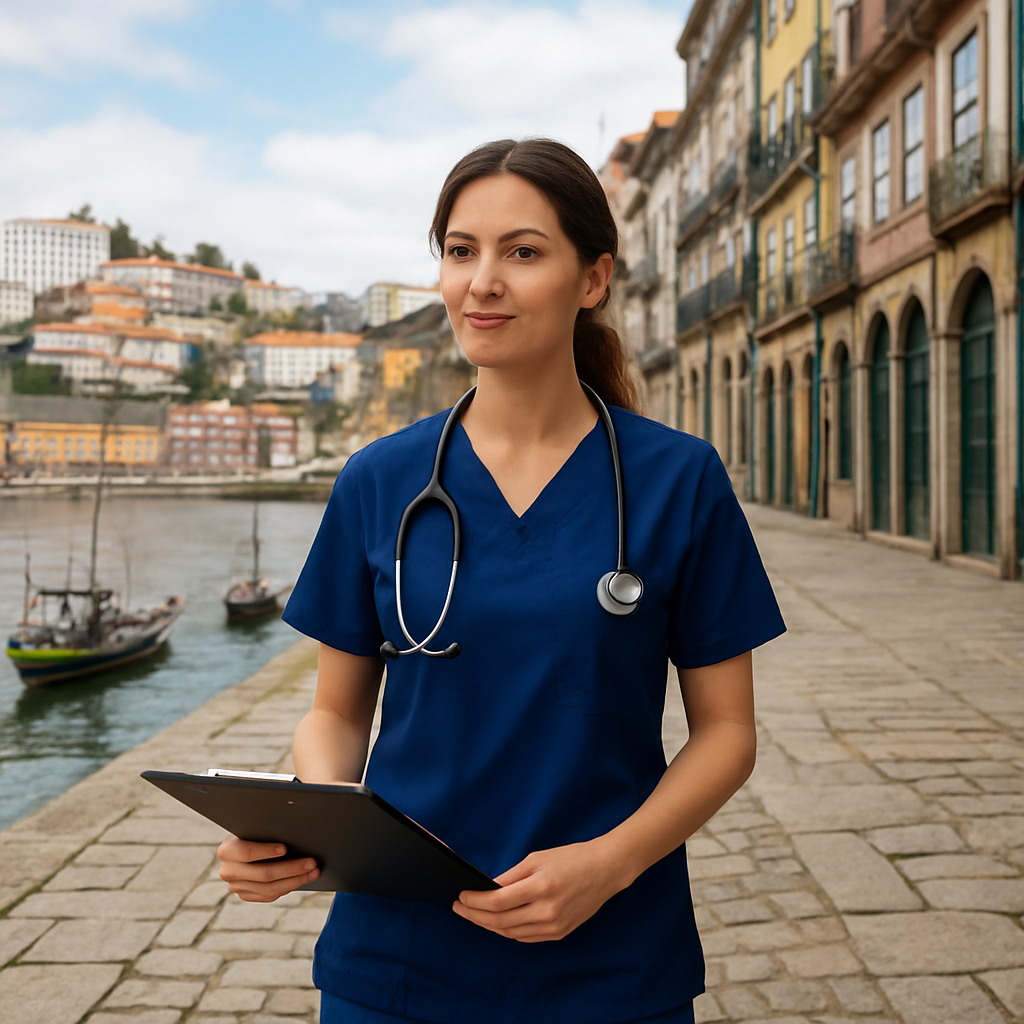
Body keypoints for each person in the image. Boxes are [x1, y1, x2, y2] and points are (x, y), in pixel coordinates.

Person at [217, 138, 786, 1024]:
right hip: (395, 962)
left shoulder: (680, 480)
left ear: (592, 279)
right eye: (459, 250)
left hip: (611, 960)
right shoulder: (378, 480)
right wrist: (316, 824)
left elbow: (728, 734)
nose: (482, 281)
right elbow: (334, 713)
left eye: (522, 252)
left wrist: (610, 863)